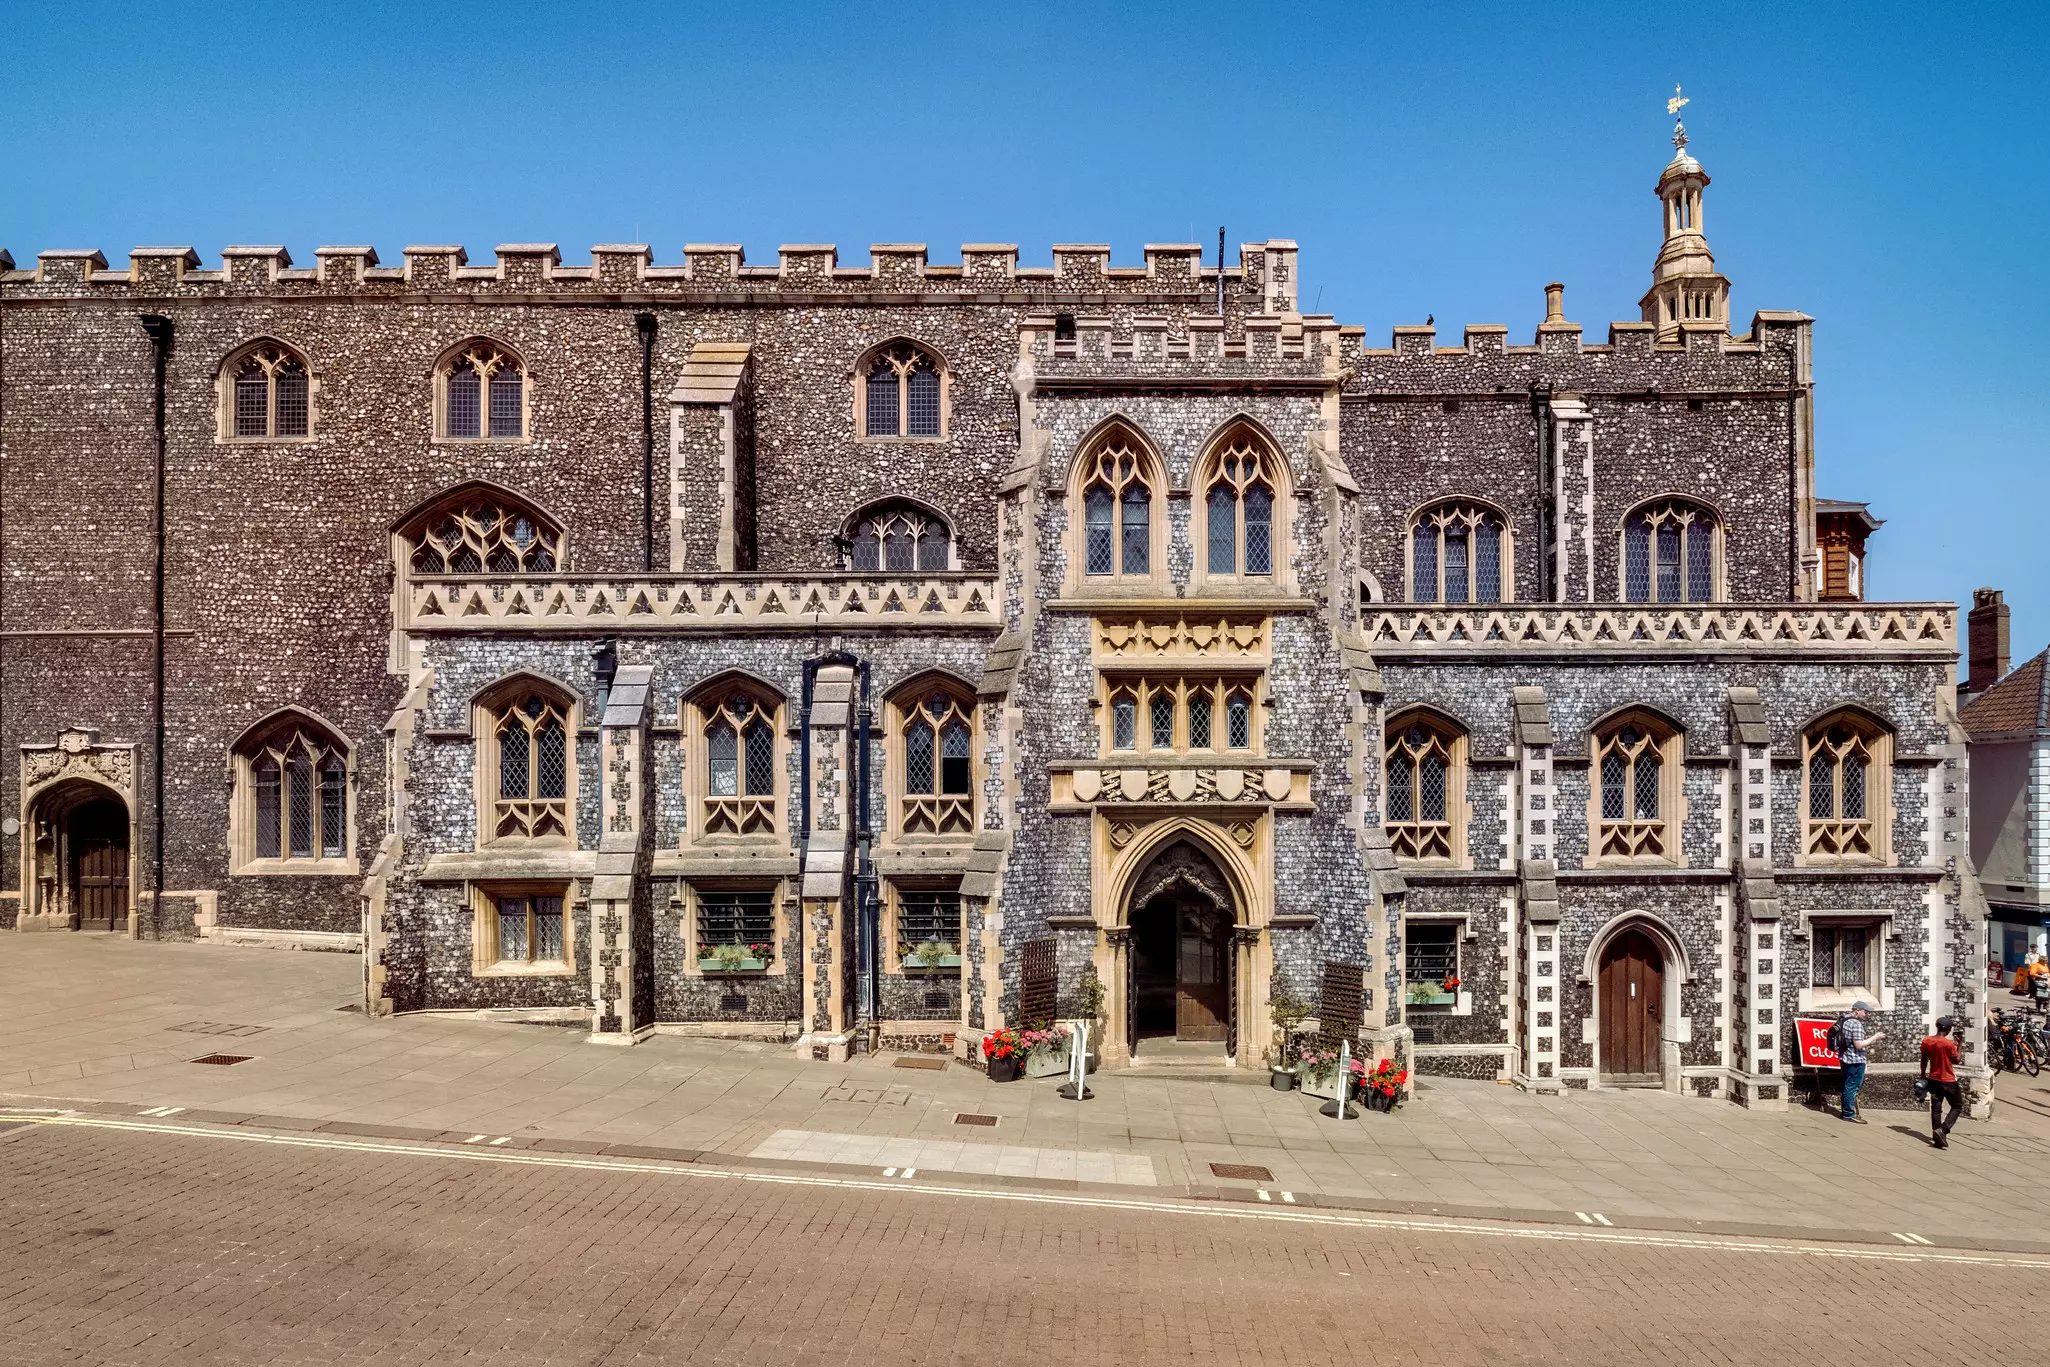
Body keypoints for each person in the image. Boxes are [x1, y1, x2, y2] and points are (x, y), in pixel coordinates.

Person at [1920, 1016, 1964, 1148]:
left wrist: (1923, 1074)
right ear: (1949, 1030)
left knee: (1936, 1108)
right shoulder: (1948, 1044)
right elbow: (1956, 1060)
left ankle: (1937, 1137)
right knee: (1957, 1106)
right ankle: (1943, 1130)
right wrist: (1960, 1044)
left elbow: (1924, 1059)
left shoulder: (1927, 1041)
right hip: (1948, 1080)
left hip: (1933, 1078)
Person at [1837, 1002, 1884, 1123]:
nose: (1867, 1015)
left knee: (1848, 1085)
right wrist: (1875, 1037)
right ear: (1857, 1010)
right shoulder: (1856, 1024)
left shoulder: (1844, 1019)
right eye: (1865, 1012)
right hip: (1855, 1060)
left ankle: (1846, 1111)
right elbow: (1858, 1045)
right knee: (1852, 1086)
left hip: (1845, 1058)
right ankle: (1849, 1114)